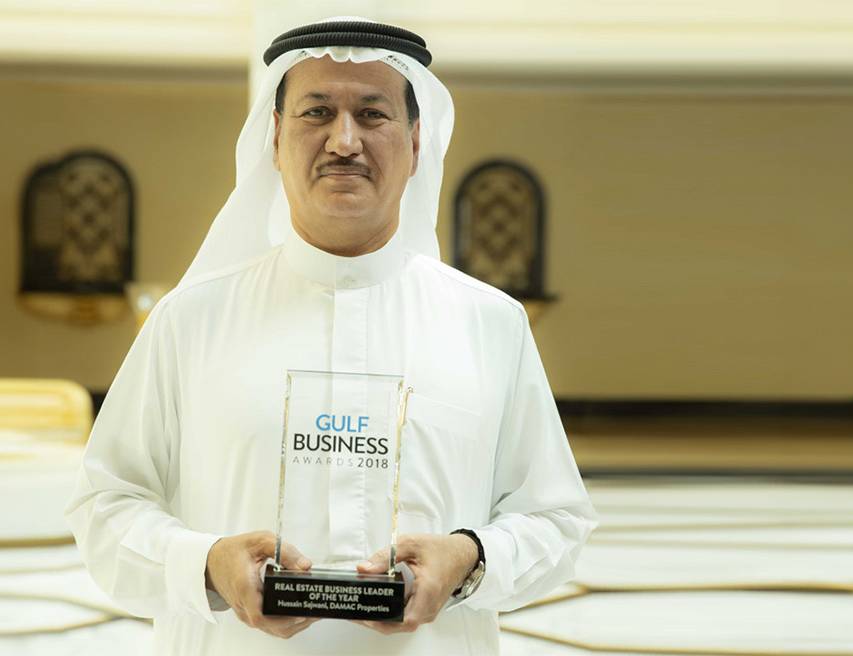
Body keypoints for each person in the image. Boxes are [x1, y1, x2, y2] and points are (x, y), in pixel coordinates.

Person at [66, 18, 596, 655]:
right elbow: (105, 507)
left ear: (416, 141)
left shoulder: (490, 323)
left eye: (372, 114)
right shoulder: (190, 320)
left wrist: (469, 557)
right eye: (317, 112)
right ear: (275, 137)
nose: (344, 141)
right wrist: (207, 562)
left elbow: (556, 519)